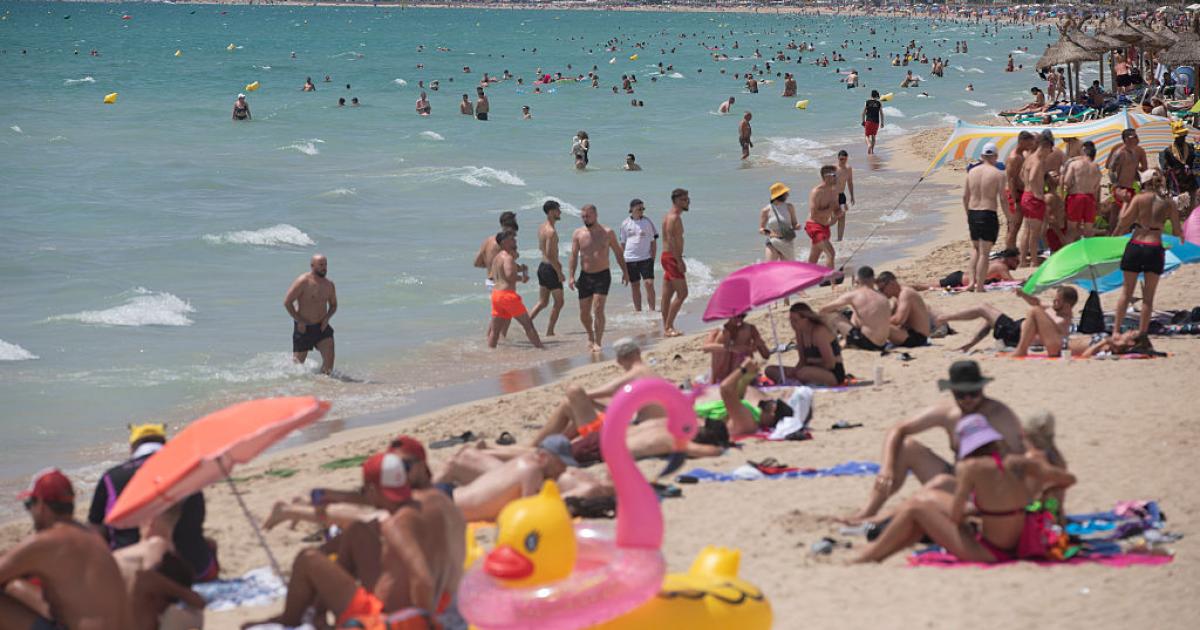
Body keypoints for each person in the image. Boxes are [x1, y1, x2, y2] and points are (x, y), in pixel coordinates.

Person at [242, 448, 465, 629]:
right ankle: (318, 613)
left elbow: (422, 578)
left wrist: (420, 622)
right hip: (429, 604)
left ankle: (290, 620)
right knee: (357, 531)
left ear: (371, 490)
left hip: (383, 617)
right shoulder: (429, 504)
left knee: (308, 557)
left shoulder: (398, 523)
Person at [855, 414, 1075, 563]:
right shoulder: (1021, 463)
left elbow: (955, 516)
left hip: (992, 551)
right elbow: (1068, 480)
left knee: (917, 507)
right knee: (930, 497)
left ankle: (867, 556)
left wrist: (975, 515)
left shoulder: (971, 468)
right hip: (1022, 541)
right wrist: (1037, 503)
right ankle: (875, 551)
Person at [847, 361, 1024, 521]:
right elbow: (897, 429)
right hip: (959, 479)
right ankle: (869, 511)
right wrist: (886, 468)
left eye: (973, 393)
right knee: (906, 447)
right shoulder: (949, 412)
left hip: (990, 490)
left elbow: (1021, 462)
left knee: (936, 487)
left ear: (982, 389)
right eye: (961, 394)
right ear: (953, 392)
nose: (968, 399)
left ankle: (883, 519)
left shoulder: (1000, 415)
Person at [0, 469, 132, 629]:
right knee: (15, 586)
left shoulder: (48, 541)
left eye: (29, 505)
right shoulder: (90, 535)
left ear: (41, 505)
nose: (30, 512)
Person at [89, 424, 217, 581]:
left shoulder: (111, 477)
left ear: (133, 447)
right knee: (210, 544)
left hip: (132, 572)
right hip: (194, 569)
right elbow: (197, 517)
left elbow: (95, 530)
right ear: (165, 444)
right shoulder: (186, 471)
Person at [528, 338, 662, 446]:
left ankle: (536, 446)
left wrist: (581, 398)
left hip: (633, 433)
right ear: (638, 351)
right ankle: (555, 442)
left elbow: (603, 391)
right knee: (576, 404)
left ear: (619, 361)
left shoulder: (634, 375)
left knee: (573, 395)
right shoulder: (651, 373)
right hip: (646, 427)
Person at [113, 502, 206, 630]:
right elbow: (146, 577)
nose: (139, 525)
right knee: (190, 615)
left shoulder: (124, 554)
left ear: (150, 520)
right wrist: (183, 593)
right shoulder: (158, 548)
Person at [1111, 169, 1182, 336]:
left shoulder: (1139, 199)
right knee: (1148, 298)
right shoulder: (1169, 203)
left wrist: (1126, 203)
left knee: (1126, 293)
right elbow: (1177, 231)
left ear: (1144, 183)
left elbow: (1124, 222)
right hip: (1154, 247)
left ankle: (1115, 332)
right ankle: (1143, 335)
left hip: (1136, 244)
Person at [936, 286, 1079, 356]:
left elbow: (1045, 339)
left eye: (1057, 300)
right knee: (990, 319)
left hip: (1015, 334)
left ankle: (944, 318)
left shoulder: (1062, 321)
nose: (1053, 302)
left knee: (983, 308)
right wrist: (1023, 294)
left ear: (1066, 305)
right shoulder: (1056, 309)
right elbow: (1037, 303)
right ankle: (967, 346)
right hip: (1015, 328)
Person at [568, 205, 628, 352]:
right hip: (585, 276)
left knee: (598, 308)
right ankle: (590, 335)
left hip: (602, 275)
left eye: (587, 216)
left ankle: (598, 341)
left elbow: (618, 253)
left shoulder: (607, 233)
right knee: (584, 313)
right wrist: (571, 276)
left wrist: (625, 272)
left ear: (595, 215)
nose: (585, 219)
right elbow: (574, 256)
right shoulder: (578, 234)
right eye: (583, 216)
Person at [767, 302, 846, 386]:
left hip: (832, 373)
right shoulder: (799, 332)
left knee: (802, 373)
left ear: (806, 319)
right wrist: (795, 371)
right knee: (770, 370)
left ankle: (793, 382)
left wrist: (811, 363)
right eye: (790, 320)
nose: (792, 324)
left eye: (795, 320)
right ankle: (794, 381)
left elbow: (830, 364)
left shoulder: (819, 332)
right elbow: (802, 360)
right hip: (810, 369)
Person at [963, 142, 1007, 292]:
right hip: (988, 212)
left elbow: (965, 197)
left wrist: (968, 214)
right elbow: (1002, 198)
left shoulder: (971, 173)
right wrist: (1009, 217)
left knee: (975, 249)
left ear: (982, 156)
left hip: (973, 212)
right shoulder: (998, 174)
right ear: (995, 157)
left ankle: (970, 283)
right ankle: (979, 286)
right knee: (984, 252)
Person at [488, 231, 544, 350]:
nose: (515, 241)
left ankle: (490, 353)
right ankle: (541, 349)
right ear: (504, 242)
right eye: (512, 239)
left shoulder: (497, 258)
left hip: (496, 295)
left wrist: (521, 269)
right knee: (528, 325)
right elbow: (509, 276)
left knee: (495, 331)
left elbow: (498, 275)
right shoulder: (508, 258)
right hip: (507, 296)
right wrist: (522, 278)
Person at [285, 254, 338, 375]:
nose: (324, 267)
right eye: (321, 265)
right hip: (304, 328)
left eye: (325, 265)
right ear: (312, 266)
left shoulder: (329, 285)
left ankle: (325, 386)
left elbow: (334, 305)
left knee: (329, 363)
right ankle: (297, 389)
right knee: (297, 368)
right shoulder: (303, 281)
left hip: (322, 327)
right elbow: (287, 302)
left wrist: (326, 319)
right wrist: (299, 320)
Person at [819, 265, 891, 351]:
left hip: (867, 343)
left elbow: (823, 309)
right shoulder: (883, 296)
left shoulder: (854, 295)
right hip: (882, 344)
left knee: (832, 314)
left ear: (857, 280)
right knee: (854, 314)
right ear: (873, 279)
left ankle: (829, 340)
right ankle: (843, 341)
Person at [529, 201, 565, 337]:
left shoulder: (541, 228)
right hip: (550, 269)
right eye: (557, 210)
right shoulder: (551, 231)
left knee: (543, 302)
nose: (560, 212)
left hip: (542, 267)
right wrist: (559, 272)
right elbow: (550, 254)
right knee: (559, 302)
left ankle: (526, 323)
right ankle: (550, 331)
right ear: (551, 212)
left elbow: (541, 248)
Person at [1018, 131, 1053, 268]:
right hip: (1033, 198)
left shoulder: (1029, 158)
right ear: (1045, 146)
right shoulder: (1038, 161)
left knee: (1027, 230)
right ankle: (1033, 261)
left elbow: (1022, 175)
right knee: (1035, 233)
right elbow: (1032, 178)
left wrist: (1028, 188)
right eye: (1049, 150)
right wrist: (1038, 194)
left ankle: (1022, 260)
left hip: (1026, 196)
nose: (1049, 153)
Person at [702, 313, 770, 384]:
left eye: (743, 316)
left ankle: (735, 379)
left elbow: (766, 355)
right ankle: (714, 380)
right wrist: (731, 348)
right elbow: (705, 348)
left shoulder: (750, 329)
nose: (740, 319)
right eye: (737, 316)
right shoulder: (719, 331)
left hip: (741, 372)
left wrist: (759, 344)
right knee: (722, 338)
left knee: (743, 333)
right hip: (721, 372)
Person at [618, 199, 658, 312]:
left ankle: (652, 310)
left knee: (649, 284)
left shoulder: (647, 222)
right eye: (639, 209)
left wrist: (652, 259)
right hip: (630, 259)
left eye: (643, 209)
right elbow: (622, 244)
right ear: (631, 210)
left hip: (646, 258)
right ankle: (638, 312)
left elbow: (653, 242)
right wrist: (623, 265)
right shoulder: (625, 223)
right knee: (635, 286)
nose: (641, 211)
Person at [661, 188, 689, 337]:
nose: (687, 201)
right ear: (676, 201)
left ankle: (667, 326)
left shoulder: (670, 216)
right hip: (672, 257)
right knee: (683, 293)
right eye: (684, 199)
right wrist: (679, 261)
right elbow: (671, 240)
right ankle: (668, 326)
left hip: (668, 256)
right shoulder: (674, 218)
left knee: (667, 294)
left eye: (687, 198)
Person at [875, 271, 930, 348]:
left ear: (891, 283)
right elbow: (890, 316)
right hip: (909, 333)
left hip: (918, 337)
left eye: (882, 289)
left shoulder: (906, 294)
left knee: (881, 325)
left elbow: (899, 320)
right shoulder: (897, 297)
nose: (882, 292)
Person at [1105, 129, 1149, 222]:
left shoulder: (1133, 152)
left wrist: (1134, 168)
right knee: (1116, 213)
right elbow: (1110, 169)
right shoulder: (1120, 151)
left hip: (1130, 186)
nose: (1138, 139)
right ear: (1127, 139)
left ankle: (1123, 234)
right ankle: (1113, 235)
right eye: (1135, 137)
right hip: (1121, 187)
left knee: (1128, 215)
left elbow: (1144, 169)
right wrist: (1116, 186)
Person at [1063, 140, 1102, 243]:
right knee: (1088, 231)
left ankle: (1069, 255)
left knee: (1071, 230)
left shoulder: (1075, 164)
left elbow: (1066, 182)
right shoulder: (1096, 166)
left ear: (1083, 151)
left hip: (1076, 196)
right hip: (1090, 198)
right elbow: (1097, 186)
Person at [805, 165, 844, 269]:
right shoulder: (816, 192)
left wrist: (839, 212)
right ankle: (830, 280)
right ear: (826, 177)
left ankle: (805, 277)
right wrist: (830, 209)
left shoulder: (834, 190)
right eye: (835, 175)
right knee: (830, 253)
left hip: (825, 226)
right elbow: (814, 214)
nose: (837, 178)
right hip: (813, 226)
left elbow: (835, 209)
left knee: (814, 257)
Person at [1159, 121, 1196, 198]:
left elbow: (1195, 162)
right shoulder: (1167, 151)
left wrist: (1192, 169)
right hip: (1176, 184)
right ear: (1175, 137)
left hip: (1190, 182)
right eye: (1179, 137)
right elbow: (1165, 168)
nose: (1182, 139)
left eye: (1183, 136)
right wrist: (1171, 170)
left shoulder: (1191, 148)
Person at [834, 150, 856, 241]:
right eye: (841, 159)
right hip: (833, 197)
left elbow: (850, 183)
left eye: (845, 159)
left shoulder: (848, 169)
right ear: (838, 158)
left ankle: (839, 239)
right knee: (832, 217)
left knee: (842, 217)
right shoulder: (833, 168)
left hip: (842, 197)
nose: (843, 161)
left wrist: (852, 196)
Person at [862, 90, 884, 154]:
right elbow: (881, 114)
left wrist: (863, 121)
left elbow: (863, 113)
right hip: (876, 122)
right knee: (873, 136)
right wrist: (882, 123)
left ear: (871, 95)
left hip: (868, 121)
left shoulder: (867, 102)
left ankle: (869, 144)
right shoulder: (879, 103)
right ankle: (872, 151)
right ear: (877, 96)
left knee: (866, 135)